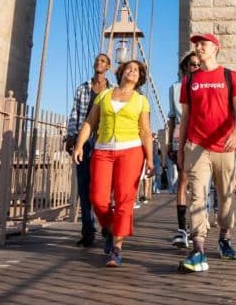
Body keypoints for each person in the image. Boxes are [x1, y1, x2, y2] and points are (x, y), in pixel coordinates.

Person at [73, 59, 154, 267]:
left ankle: (117, 248)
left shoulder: (141, 100)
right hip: (103, 150)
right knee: (98, 198)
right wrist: (79, 145)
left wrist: (151, 160)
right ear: (121, 72)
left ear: (140, 77)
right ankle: (109, 227)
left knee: (124, 200)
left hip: (131, 151)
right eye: (129, 68)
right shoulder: (104, 95)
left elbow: (145, 132)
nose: (133, 71)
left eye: (137, 70)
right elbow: (90, 122)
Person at [177, 33, 236, 273]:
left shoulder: (230, 76)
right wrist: (181, 148)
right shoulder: (189, 81)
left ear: (215, 48)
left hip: (224, 146)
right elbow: (185, 117)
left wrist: (235, 134)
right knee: (197, 195)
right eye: (196, 43)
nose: (198, 47)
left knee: (225, 197)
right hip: (196, 145)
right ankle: (198, 248)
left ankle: (225, 236)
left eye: (203, 44)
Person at [65, 53, 112, 247]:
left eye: (102, 61)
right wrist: (71, 136)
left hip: (103, 140)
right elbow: (74, 113)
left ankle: (106, 226)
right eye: (97, 60)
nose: (98, 63)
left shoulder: (112, 91)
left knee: (102, 188)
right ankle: (87, 230)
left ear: (108, 66)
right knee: (83, 188)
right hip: (83, 141)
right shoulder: (82, 88)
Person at [168, 50, 199, 248]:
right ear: (185, 67)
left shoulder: (204, 85)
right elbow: (172, 116)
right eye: (192, 64)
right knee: (183, 180)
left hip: (199, 134)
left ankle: (197, 227)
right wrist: (167, 143)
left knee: (199, 183)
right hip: (180, 135)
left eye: (198, 64)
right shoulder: (175, 88)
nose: (196, 67)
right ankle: (182, 229)